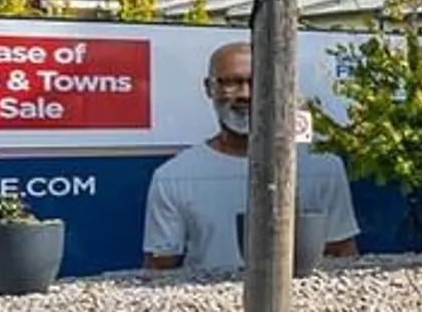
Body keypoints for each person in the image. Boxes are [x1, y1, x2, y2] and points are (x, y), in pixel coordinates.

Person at [143, 39, 358, 273]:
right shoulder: (173, 177)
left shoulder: (323, 167)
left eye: (258, 82)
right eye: (230, 82)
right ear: (209, 88)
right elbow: (159, 271)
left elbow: (342, 254)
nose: (245, 94)